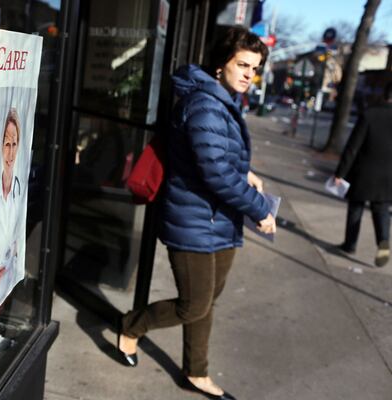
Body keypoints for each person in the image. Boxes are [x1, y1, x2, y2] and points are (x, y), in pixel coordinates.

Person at [117, 27, 276, 400]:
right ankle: (131, 325)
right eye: (242, 65)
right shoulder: (205, 103)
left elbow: (219, 157)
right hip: (194, 221)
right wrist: (260, 211)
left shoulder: (223, 100)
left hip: (219, 220)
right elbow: (215, 172)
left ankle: (196, 372)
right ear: (221, 64)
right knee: (193, 305)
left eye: (253, 68)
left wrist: (246, 172)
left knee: (205, 303)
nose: (247, 74)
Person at [334, 83, 392, 267]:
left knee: (356, 208)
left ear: (385, 94)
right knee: (381, 211)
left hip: (363, 171)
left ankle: (350, 244)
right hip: (388, 176)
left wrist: (340, 172)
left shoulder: (370, 114)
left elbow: (353, 147)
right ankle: (383, 241)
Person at [0, 108, 22, 294]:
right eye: (6, 144)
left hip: (9, 286)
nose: (10, 153)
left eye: (14, 144)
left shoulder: (17, 189)